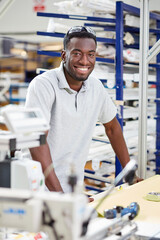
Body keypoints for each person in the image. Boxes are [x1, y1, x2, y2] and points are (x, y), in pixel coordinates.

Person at [25, 26, 141, 193]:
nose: (85, 61)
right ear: (64, 55)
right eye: (77, 53)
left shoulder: (95, 87)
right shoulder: (43, 85)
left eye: (91, 54)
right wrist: (60, 196)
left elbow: (113, 128)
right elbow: (37, 142)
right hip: (37, 186)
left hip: (71, 186)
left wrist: (129, 174)